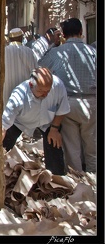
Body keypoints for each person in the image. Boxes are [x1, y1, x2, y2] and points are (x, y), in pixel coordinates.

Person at [39, 18, 96, 173]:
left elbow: (40, 66)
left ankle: (78, 185)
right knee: (92, 149)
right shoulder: (93, 52)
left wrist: (53, 44)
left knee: (72, 149)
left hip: (68, 103)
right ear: (81, 32)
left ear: (63, 34)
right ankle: (94, 184)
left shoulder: (57, 52)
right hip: (92, 102)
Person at [2, 67, 70, 175]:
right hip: (21, 122)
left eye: (48, 91)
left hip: (47, 122)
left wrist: (55, 128)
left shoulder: (57, 85)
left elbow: (63, 109)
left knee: (54, 143)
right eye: (41, 91)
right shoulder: (18, 96)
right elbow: (4, 125)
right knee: (4, 144)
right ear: (31, 85)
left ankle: (55, 178)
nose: (45, 95)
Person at [3, 28, 38, 107]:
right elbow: (35, 72)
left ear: (9, 39)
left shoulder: (3, 51)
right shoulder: (29, 51)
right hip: (25, 91)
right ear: (21, 38)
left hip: (7, 90)